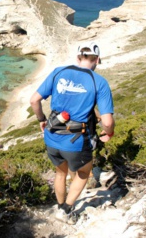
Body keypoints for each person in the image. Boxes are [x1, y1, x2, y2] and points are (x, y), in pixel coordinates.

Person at [30, 42, 115, 224]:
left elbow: (33, 101)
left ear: (78, 58)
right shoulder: (98, 81)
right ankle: (67, 210)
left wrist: (41, 119)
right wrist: (109, 133)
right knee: (84, 172)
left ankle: (60, 205)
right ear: (97, 60)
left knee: (60, 173)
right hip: (76, 140)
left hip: (52, 136)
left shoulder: (58, 71)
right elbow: (107, 122)